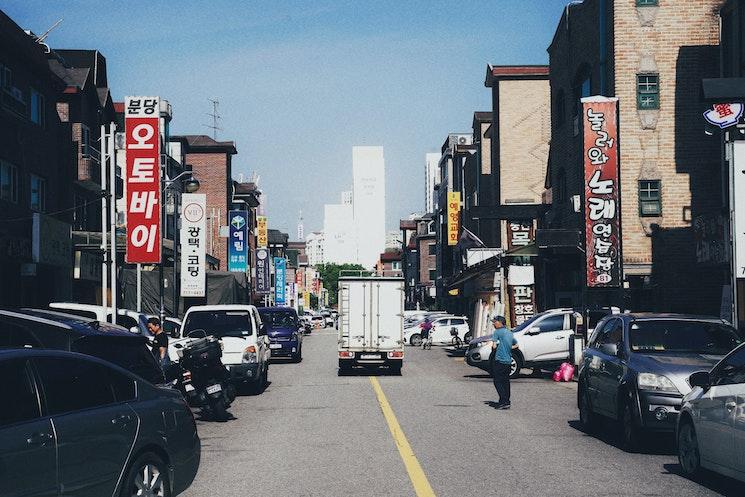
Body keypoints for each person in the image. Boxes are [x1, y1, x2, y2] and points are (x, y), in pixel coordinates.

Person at [490, 314, 518, 409]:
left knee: (497, 381)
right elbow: (516, 345)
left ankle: (504, 400)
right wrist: (509, 348)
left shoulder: (497, 332)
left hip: (500, 359)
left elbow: (493, 346)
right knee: (506, 381)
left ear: (500, 323)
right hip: (508, 361)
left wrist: (496, 349)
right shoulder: (509, 332)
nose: (494, 324)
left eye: (495, 322)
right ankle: (506, 401)